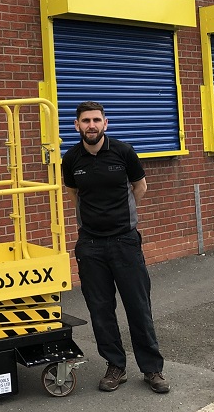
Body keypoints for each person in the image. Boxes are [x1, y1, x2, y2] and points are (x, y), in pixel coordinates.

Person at [60, 101, 169, 394]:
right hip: (91, 245)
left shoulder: (123, 152)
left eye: (96, 120)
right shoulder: (71, 159)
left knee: (138, 307)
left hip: (125, 241)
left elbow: (140, 187)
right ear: (77, 126)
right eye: (86, 121)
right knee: (100, 309)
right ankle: (115, 366)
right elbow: (74, 194)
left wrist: (123, 217)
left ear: (105, 123)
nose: (91, 125)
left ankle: (151, 369)